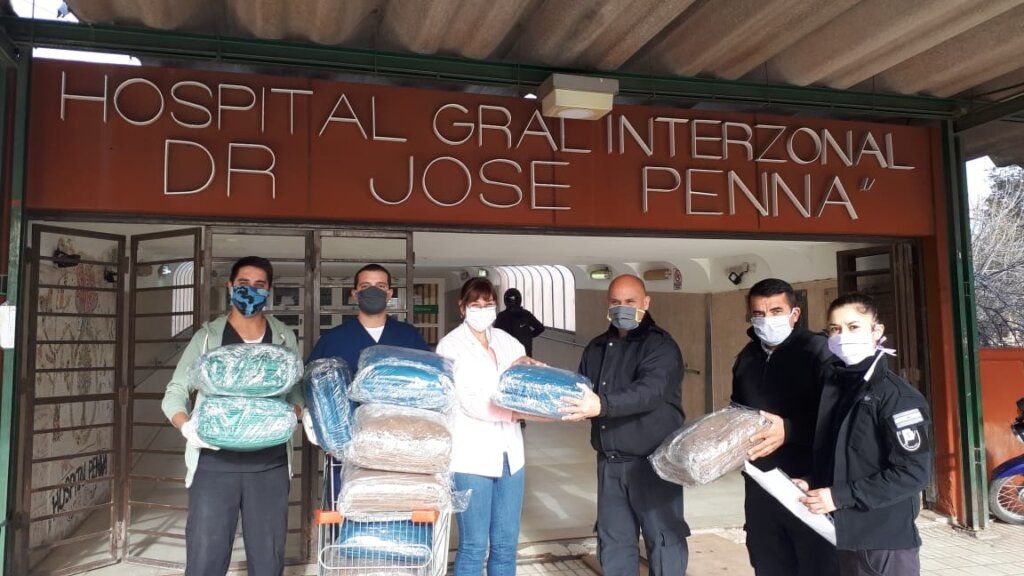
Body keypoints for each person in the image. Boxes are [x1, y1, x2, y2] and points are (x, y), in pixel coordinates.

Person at [161, 256, 304, 576]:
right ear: (230, 286)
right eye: (243, 284)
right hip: (214, 462)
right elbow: (175, 391)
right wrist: (187, 427)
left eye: (259, 285)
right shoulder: (207, 338)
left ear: (269, 290)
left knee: (267, 555)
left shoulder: (284, 337)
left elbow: (295, 390)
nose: (250, 291)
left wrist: (297, 412)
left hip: (269, 464)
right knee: (206, 555)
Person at [562, 274, 689, 576]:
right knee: (614, 541)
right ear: (608, 305)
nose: (623, 308)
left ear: (646, 302)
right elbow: (580, 389)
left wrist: (602, 405)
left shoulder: (660, 346)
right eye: (616, 302)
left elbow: (649, 392)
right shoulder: (596, 347)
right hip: (610, 463)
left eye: (630, 301)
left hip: (653, 463)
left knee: (664, 538)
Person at [799, 293, 932, 576]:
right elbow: (845, 456)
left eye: (853, 327)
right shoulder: (838, 387)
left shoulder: (897, 396)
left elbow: (914, 473)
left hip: (882, 544)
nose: (843, 336)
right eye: (835, 329)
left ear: (877, 330)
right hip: (842, 535)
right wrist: (812, 482)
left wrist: (839, 497)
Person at [435, 277, 545, 576]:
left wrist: (537, 378)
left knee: (506, 545)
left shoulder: (508, 342)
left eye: (488, 304)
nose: (482, 310)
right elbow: (469, 401)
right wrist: (516, 414)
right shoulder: (450, 346)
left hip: (511, 458)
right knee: (474, 546)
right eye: (476, 304)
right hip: (471, 458)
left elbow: (521, 386)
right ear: (462, 307)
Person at [731, 278, 837, 576]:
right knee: (768, 563)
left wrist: (789, 430)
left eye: (776, 311)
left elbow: (838, 421)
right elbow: (738, 411)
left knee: (817, 565)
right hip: (761, 485)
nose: (767, 320)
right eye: (759, 313)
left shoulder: (819, 353)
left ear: (794, 314)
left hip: (807, 485)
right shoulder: (747, 358)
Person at [307, 263, 429, 369]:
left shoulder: (409, 336)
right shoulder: (331, 339)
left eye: (381, 286)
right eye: (365, 286)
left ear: (389, 294)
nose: (373, 291)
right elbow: (311, 381)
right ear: (355, 294)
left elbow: (430, 375)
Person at [494, 288, 545, 357]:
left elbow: (496, 334)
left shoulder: (502, 316)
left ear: (505, 301)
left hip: (510, 353)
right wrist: (528, 335)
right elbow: (540, 328)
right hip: (523, 352)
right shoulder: (526, 314)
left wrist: (528, 335)